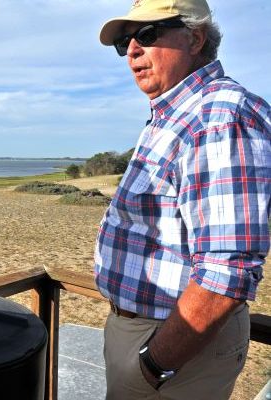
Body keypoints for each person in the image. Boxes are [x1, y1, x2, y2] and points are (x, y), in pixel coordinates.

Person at [94, 0, 270, 399]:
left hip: (175, 347)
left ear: (195, 38)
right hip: (150, 335)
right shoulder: (175, 113)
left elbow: (227, 270)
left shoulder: (220, 117)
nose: (133, 49)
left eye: (148, 33)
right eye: (125, 42)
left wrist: (153, 365)